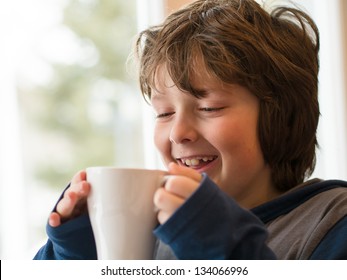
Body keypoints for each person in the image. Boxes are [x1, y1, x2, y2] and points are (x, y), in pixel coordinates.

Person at [34, 0, 347, 260]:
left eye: (209, 108)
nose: (177, 133)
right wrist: (76, 256)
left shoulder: (333, 222)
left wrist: (223, 253)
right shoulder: (148, 236)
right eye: (164, 113)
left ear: (283, 115)